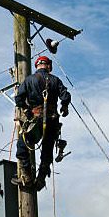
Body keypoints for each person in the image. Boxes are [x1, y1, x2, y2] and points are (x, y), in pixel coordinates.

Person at [14, 55, 71, 191]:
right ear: (48, 66)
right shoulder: (55, 80)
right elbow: (66, 96)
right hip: (52, 121)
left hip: (37, 119)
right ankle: (40, 180)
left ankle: (26, 176)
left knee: (23, 145)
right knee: (47, 151)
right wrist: (64, 107)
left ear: (37, 66)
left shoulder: (29, 80)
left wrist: (27, 110)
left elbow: (19, 99)